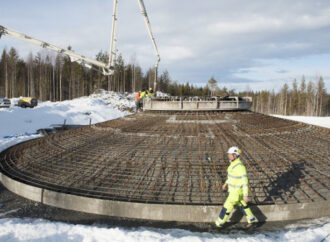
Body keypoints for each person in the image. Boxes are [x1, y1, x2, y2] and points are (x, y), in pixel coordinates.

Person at [215, 146, 257, 228]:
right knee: (243, 205)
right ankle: (252, 220)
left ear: (235, 155)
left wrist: (245, 195)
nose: (228, 155)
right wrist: (225, 183)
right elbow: (231, 176)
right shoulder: (233, 164)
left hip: (235, 192)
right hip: (235, 191)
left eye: (230, 154)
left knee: (226, 207)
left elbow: (245, 182)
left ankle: (219, 224)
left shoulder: (240, 167)